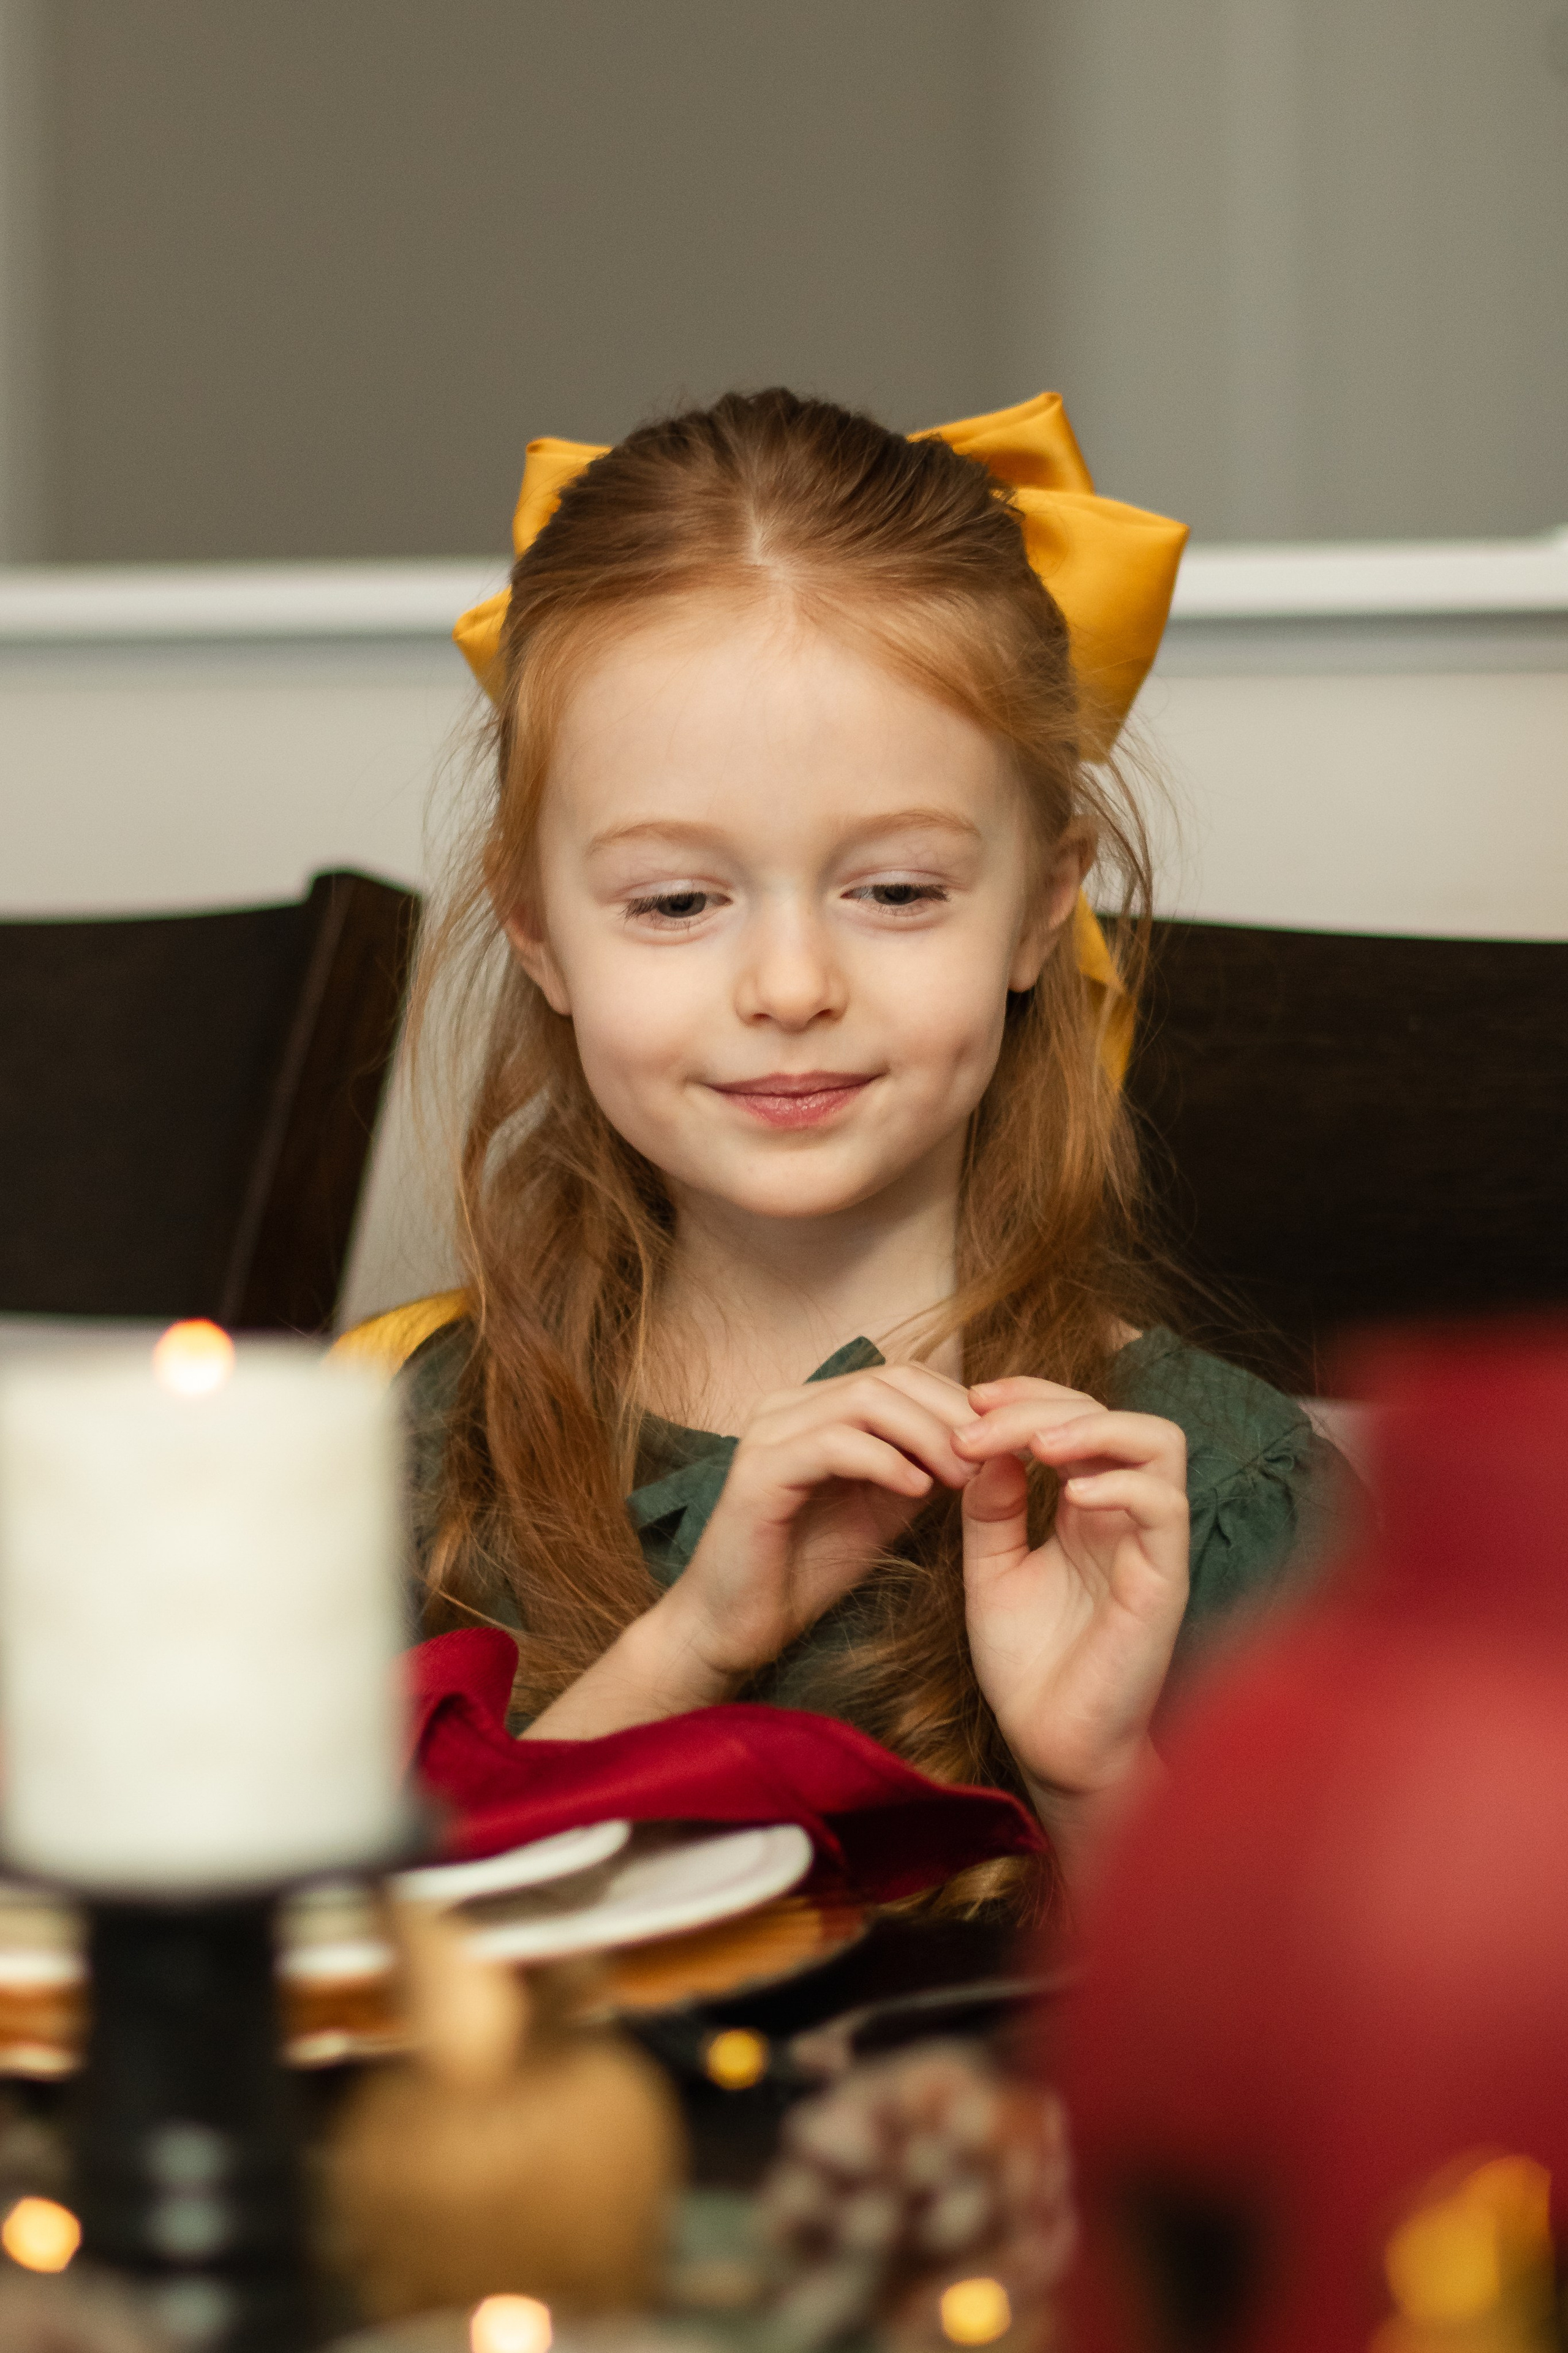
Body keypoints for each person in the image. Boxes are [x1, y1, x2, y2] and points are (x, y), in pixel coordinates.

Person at [341, 388, 1348, 1904]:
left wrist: (1094, 1780)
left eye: (894, 891)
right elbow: (319, 2007)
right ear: (538, 929)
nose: (793, 986)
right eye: (678, 902)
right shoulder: (391, 1463)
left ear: (1038, 902)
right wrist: (688, 1650)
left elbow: (1333, 2090)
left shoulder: (1210, 1496)